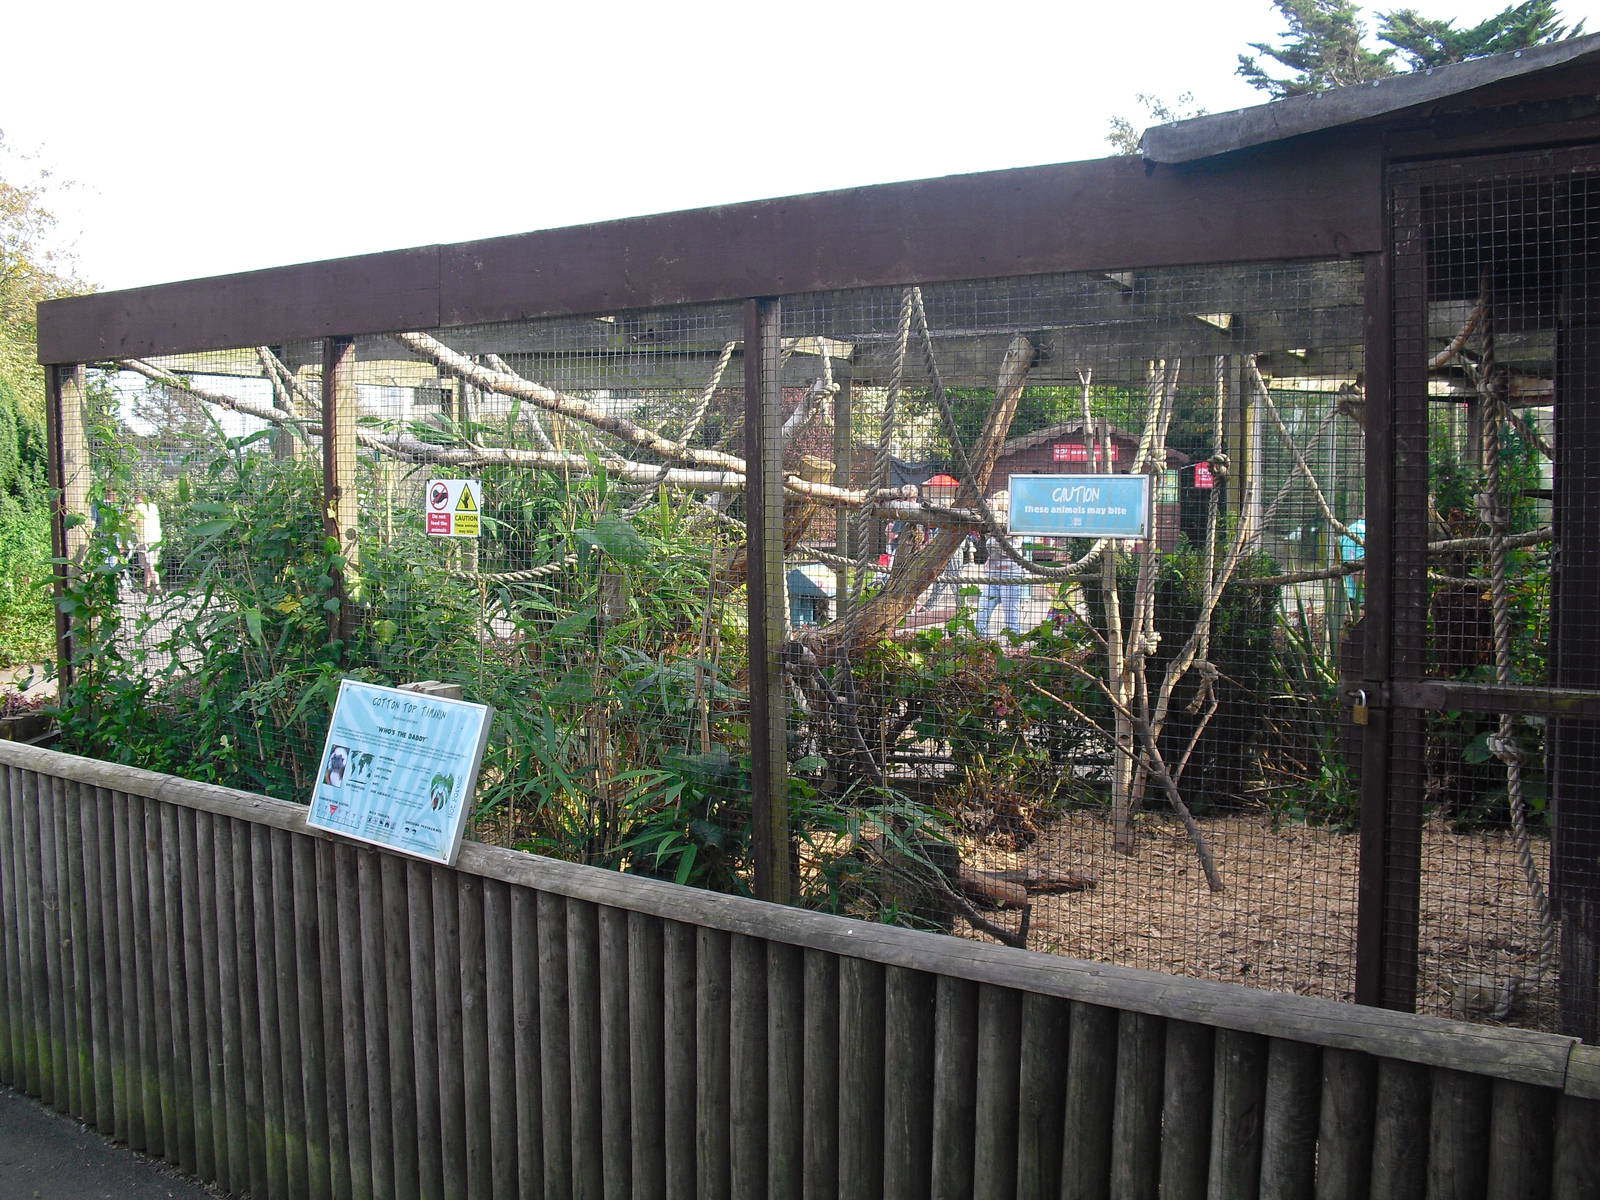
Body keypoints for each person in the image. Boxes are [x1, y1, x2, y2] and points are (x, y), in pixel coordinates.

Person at [978, 493, 1027, 638]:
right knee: (982, 610)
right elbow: (993, 547)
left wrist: (993, 543)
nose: (989, 502)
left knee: (1011, 613)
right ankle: (980, 641)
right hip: (992, 575)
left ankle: (1014, 644)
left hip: (1010, 574)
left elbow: (1007, 549)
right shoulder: (989, 523)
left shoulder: (1015, 523)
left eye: (993, 500)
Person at [132, 492, 163, 594]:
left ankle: (158, 587)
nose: (134, 499)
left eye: (135, 497)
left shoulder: (138, 508)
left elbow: (130, 521)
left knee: (150, 564)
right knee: (148, 563)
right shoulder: (153, 506)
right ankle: (146, 586)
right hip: (156, 538)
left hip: (145, 538)